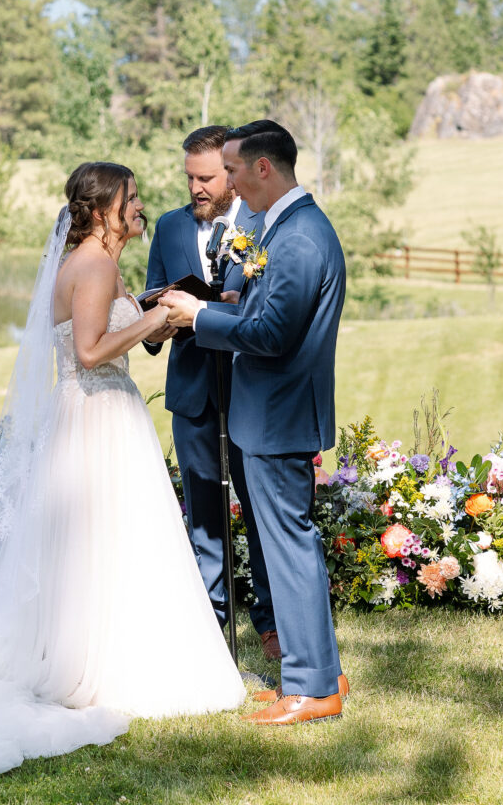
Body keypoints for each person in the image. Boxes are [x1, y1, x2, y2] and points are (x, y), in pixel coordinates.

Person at [0, 162, 245, 772]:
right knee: (111, 536)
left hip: (92, 414)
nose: (140, 207)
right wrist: (160, 319)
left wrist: (145, 301)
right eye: (131, 199)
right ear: (104, 209)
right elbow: (88, 352)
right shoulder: (96, 263)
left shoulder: (91, 264)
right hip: (97, 412)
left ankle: (91, 646)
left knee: (103, 542)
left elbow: (90, 325)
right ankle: (101, 663)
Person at [161, 120, 347, 726]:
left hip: (276, 414)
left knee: (289, 548)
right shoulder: (290, 228)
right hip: (272, 413)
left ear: (263, 168)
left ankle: (314, 688)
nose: (229, 182)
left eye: (235, 170)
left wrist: (198, 315)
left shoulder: (296, 239)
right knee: (289, 544)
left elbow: (270, 333)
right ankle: (313, 671)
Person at [145, 125, 278, 658]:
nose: (196, 188)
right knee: (203, 512)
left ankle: (272, 625)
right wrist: (163, 314)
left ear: (231, 172)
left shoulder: (263, 223)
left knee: (260, 507)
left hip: (251, 389)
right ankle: (211, 628)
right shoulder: (169, 226)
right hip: (193, 389)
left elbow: (273, 312)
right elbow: (154, 306)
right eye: (190, 178)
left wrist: (219, 308)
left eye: (206, 178)